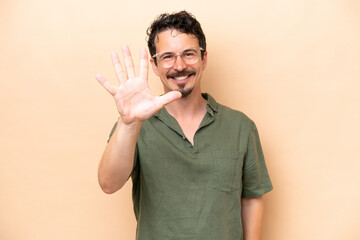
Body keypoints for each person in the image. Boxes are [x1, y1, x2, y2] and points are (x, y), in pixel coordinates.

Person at [96, 11, 273, 240]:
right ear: (155, 65)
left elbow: (251, 199)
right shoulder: (134, 125)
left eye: (188, 54)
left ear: (204, 59)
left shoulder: (241, 127)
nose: (179, 66)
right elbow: (108, 184)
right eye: (167, 56)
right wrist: (129, 123)